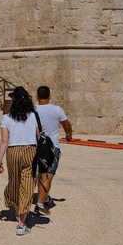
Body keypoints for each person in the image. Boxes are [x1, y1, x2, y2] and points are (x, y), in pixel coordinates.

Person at [0, 86, 38, 236]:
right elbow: (39, 136)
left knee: (14, 181)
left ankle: (14, 203)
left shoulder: (6, 118)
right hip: (30, 150)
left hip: (12, 151)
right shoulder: (34, 115)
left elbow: (4, 141)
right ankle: (21, 223)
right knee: (27, 184)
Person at [34, 85, 72, 214]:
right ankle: (40, 203)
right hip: (53, 147)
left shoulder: (33, 110)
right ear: (49, 96)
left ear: (37, 96)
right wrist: (68, 135)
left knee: (41, 174)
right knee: (48, 175)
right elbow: (66, 124)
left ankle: (42, 198)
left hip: (36, 146)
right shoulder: (57, 109)